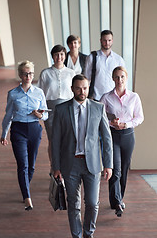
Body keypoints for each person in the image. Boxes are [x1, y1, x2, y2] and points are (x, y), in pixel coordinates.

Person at [51, 74, 113, 238]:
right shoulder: (62, 109)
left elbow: (106, 139)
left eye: (85, 88)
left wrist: (108, 164)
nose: (82, 91)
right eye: (78, 88)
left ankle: (88, 233)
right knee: (74, 204)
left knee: (92, 203)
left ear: (88, 88)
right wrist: (55, 166)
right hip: (70, 164)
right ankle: (77, 235)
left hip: (92, 164)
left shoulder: (98, 108)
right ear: (72, 89)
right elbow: (55, 141)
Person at [0, 60, 48, 211]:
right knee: (23, 165)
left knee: (31, 166)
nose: (28, 76)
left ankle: (24, 186)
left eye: (31, 73)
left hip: (34, 129)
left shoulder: (39, 93)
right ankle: (27, 197)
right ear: (20, 75)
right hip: (18, 130)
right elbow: (8, 115)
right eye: (25, 74)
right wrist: (4, 134)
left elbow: (46, 115)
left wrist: (39, 115)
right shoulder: (13, 94)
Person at [99, 66, 144, 217]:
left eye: (122, 77)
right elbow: (99, 115)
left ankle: (117, 199)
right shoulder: (106, 97)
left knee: (124, 171)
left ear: (126, 78)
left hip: (128, 136)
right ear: (112, 78)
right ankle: (118, 202)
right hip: (112, 136)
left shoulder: (134, 97)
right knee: (115, 171)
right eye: (117, 77)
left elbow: (139, 117)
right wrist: (111, 121)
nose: (119, 80)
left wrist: (126, 124)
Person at [38, 45, 76, 170]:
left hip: (68, 109)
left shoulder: (71, 73)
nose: (59, 57)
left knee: (67, 140)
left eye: (62, 54)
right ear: (52, 56)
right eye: (56, 54)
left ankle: (65, 166)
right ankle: (54, 167)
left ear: (65, 56)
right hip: (51, 109)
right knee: (53, 140)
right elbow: (41, 93)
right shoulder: (45, 73)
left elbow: (75, 92)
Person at [84, 30, 125, 101]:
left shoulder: (118, 59)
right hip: (95, 97)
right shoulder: (91, 57)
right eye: (104, 40)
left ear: (112, 41)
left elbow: (124, 80)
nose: (107, 43)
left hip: (113, 98)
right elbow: (86, 79)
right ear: (100, 40)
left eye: (109, 40)